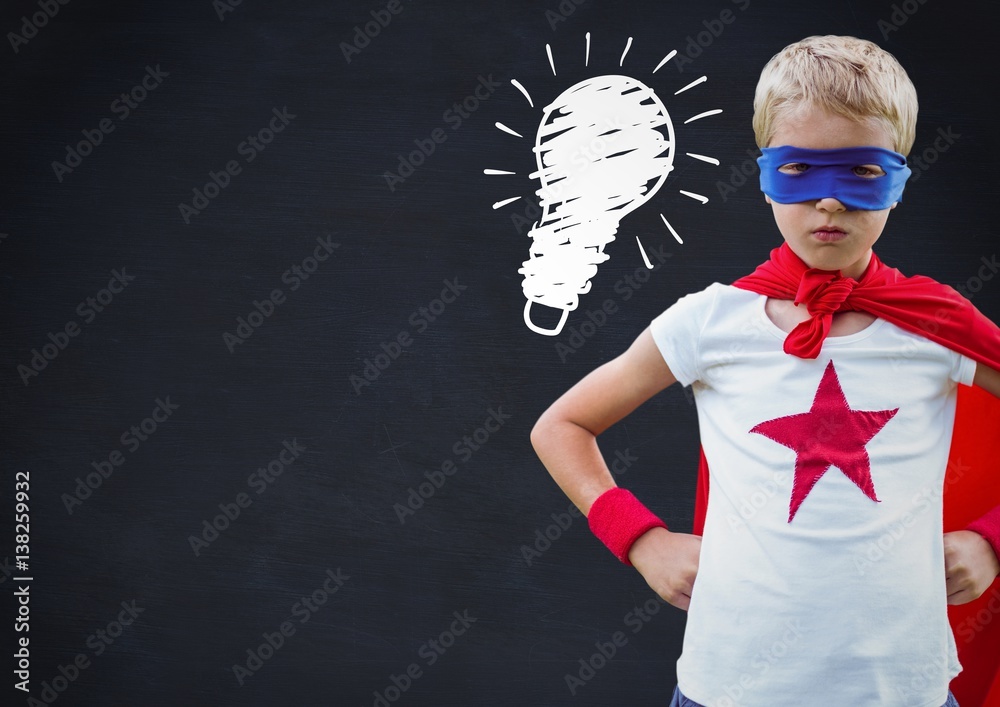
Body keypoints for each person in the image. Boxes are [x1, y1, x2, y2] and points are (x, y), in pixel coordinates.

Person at [530, 35, 1000, 707]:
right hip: (728, 689)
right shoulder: (709, 321)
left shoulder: (935, 323)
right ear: (762, 175)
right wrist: (639, 538)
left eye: (862, 172)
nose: (830, 203)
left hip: (904, 690)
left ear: (899, 177)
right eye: (801, 170)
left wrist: (993, 538)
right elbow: (563, 424)